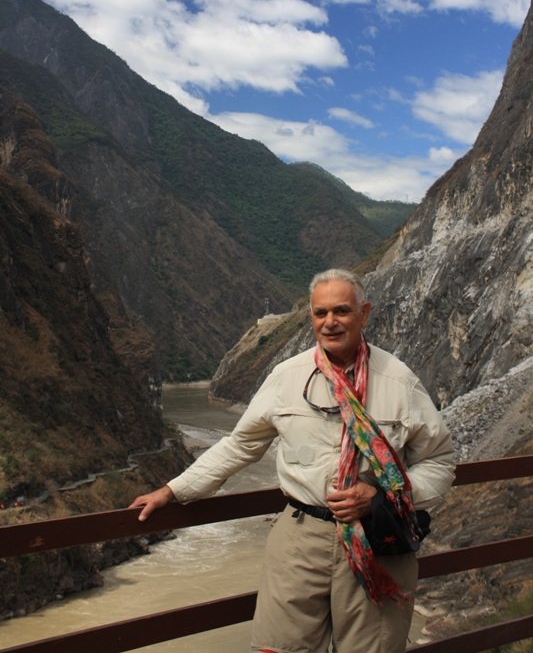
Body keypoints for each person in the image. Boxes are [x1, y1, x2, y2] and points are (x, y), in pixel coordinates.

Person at [130, 269, 455, 653]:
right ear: (312, 318)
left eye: (342, 311)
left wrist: (382, 495)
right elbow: (239, 446)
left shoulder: (399, 383)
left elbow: (439, 462)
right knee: (280, 647)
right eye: (320, 313)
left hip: (378, 540)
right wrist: (172, 491)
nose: (330, 322)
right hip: (301, 539)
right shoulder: (286, 378)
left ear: (364, 314)